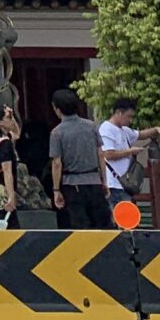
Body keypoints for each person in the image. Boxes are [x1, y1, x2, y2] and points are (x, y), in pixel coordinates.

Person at [48, 87, 109, 229]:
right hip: (94, 180)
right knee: (102, 224)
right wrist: (104, 180)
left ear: (57, 109)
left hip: (71, 184)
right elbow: (100, 154)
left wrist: (56, 190)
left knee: (80, 226)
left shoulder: (57, 133)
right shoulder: (91, 126)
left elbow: (57, 163)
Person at [100, 96, 160, 222]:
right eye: (128, 116)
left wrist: (156, 130)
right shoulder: (106, 129)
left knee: (127, 219)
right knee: (123, 220)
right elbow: (108, 154)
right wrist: (130, 151)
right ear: (119, 112)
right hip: (114, 183)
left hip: (125, 183)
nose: (130, 120)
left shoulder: (124, 130)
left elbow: (141, 134)